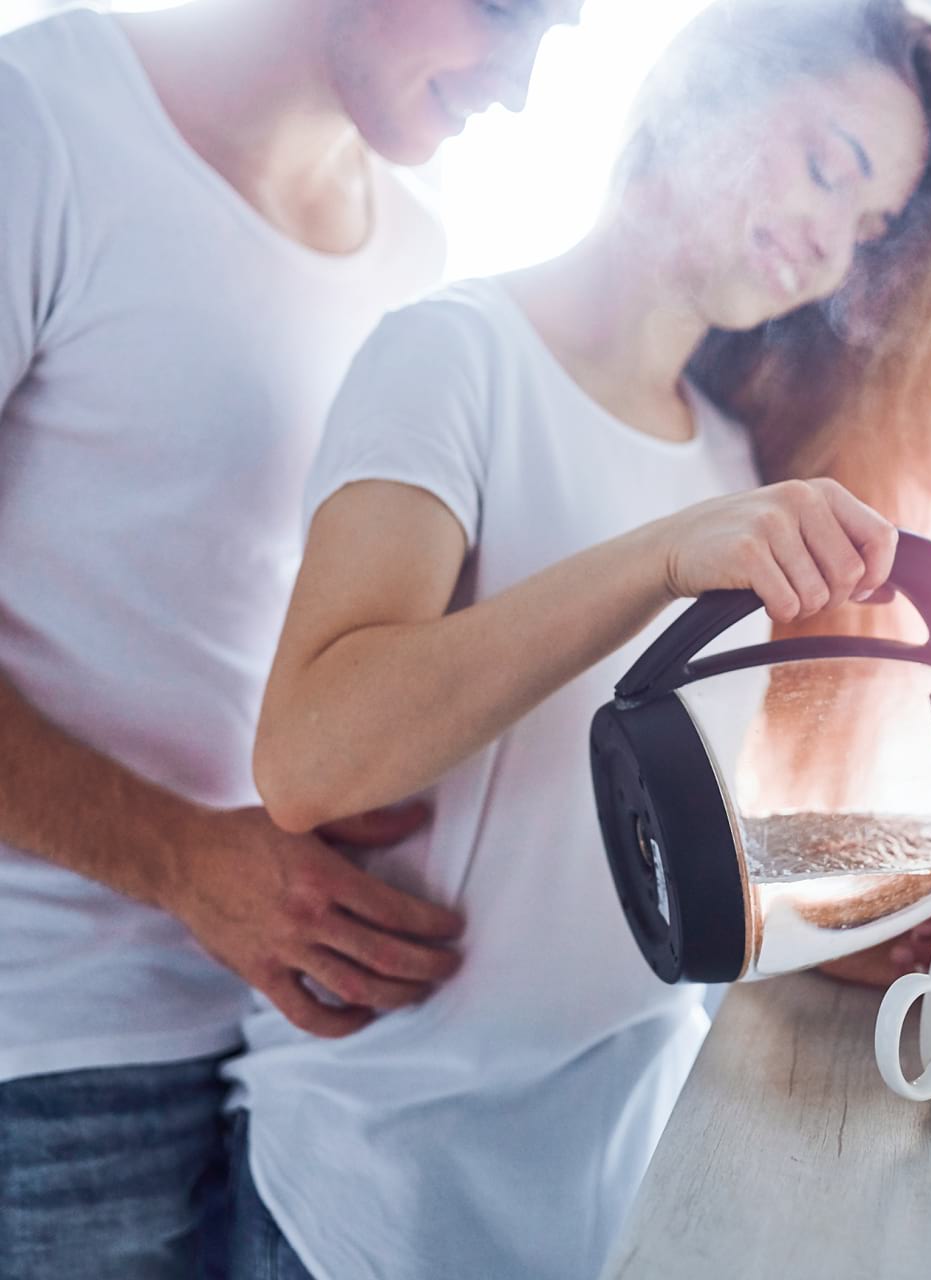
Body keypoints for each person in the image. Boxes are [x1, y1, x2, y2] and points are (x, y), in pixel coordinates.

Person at [234, 1, 931, 1277]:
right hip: (373, 1188)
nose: (831, 241)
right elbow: (310, 758)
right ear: (701, 84)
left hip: (616, 1175)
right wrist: (656, 559)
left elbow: (624, 844)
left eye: (870, 225)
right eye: (828, 165)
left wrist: (819, 924)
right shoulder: (453, 355)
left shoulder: (724, 461)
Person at [0, 2, 580, 1276]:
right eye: (503, 12)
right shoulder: (38, 123)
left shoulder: (417, 252)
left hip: (285, 1046)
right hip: (44, 1064)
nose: (522, 86)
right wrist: (183, 862)